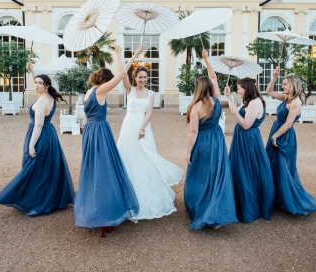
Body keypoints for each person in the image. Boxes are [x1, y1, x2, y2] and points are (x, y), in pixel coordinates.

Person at [74, 45, 139, 237]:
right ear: (105, 80)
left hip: (90, 132)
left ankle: (95, 207)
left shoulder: (88, 92)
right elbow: (122, 73)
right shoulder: (101, 91)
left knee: (93, 170)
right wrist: (122, 53)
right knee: (105, 170)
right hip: (101, 132)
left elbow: (85, 118)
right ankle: (105, 213)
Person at [0, 64, 74, 216]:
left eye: (39, 83)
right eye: (35, 82)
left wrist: (31, 146)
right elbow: (42, 86)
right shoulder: (49, 96)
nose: (36, 85)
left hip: (40, 135)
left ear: (47, 86)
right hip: (50, 134)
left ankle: (35, 200)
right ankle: (50, 197)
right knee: (47, 167)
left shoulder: (43, 101)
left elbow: (38, 125)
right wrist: (32, 72)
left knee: (34, 167)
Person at [117, 45, 183, 221]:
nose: (143, 80)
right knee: (128, 157)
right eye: (140, 77)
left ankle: (148, 194)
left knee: (146, 158)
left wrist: (142, 128)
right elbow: (122, 72)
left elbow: (149, 113)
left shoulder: (151, 93)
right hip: (128, 126)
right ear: (135, 78)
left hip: (142, 127)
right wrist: (134, 55)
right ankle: (128, 196)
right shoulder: (129, 90)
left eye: (145, 77)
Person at [184, 50, 237, 230]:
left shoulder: (195, 108)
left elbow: (193, 132)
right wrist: (207, 60)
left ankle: (203, 210)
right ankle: (217, 212)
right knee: (217, 175)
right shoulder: (217, 99)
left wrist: (188, 151)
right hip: (217, 140)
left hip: (203, 143)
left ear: (197, 88)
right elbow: (213, 77)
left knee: (200, 176)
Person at [265, 67, 316, 216]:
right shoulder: (286, 98)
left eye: (285, 84)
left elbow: (288, 124)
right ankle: (276, 197)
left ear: (293, 85)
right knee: (272, 164)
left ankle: (288, 200)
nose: (283, 87)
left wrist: (274, 137)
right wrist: (274, 77)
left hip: (284, 135)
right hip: (276, 130)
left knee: (282, 167)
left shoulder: (295, 102)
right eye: (282, 84)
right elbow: (268, 92)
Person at [225, 78, 274, 223]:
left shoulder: (254, 103)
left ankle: (249, 205)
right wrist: (228, 97)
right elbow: (240, 114)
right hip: (242, 139)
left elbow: (246, 124)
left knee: (247, 171)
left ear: (247, 88)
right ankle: (238, 201)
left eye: (239, 88)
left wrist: (234, 110)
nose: (238, 91)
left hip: (248, 140)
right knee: (240, 168)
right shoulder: (248, 101)